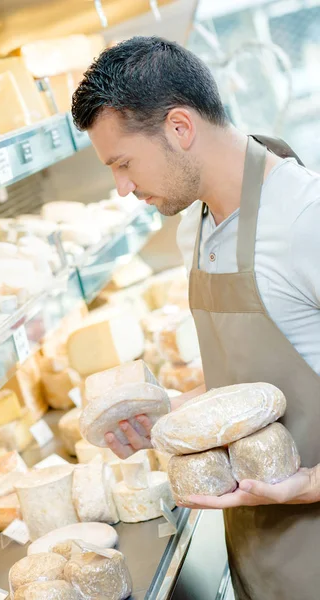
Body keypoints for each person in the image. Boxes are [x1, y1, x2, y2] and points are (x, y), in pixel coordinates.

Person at [71, 36, 320, 600]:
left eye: (124, 163)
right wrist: (173, 416)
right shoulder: (196, 227)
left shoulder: (306, 218)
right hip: (259, 559)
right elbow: (262, 382)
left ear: (180, 128)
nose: (123, 187)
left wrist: (307, 483)